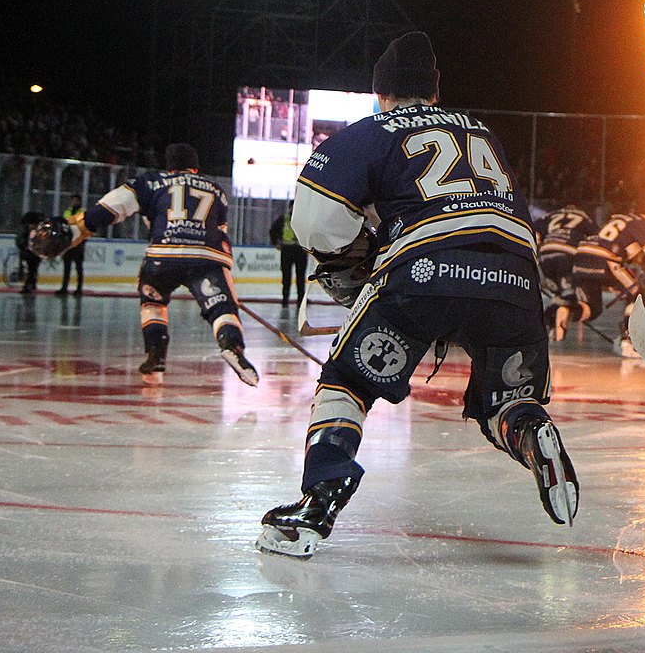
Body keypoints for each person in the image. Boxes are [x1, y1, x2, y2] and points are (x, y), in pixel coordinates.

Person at [255, 32, 578, 559]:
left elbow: (314, 223)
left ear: (379, 91)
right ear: (434, 90)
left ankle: (319, 501)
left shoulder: (369, 132)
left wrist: (355, 262)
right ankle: (528, 428)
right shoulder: (483, 132)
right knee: (506, 398)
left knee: (348, 379)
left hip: (426, 272)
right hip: (518, 280)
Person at [30, 143, 259, 386]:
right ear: (196, 166)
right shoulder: (216, 190)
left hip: (163, 255)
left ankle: (155, 353)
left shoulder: (151, 182)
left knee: (153, 302)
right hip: (206, 258)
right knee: (221, 310)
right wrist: (223, 283)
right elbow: (220, 231)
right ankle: (232, 344)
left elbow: (112, 207)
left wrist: (79, 227)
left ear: (169, 165)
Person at [572, 209, 645, 357]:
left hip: (581, 257)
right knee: (637, 295)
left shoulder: (619, 217)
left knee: (591, 307)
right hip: (605, 259)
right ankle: (627, 342)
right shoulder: (640, 222)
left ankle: (556, 315)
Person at [533, 202, 596, 341]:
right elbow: (594, 239)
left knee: (558, 295)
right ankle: (559, 334)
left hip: (546, 253)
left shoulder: (550, 215)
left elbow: (535, 234)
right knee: (568, 298)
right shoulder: (585, 218)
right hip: (568, 254)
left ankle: (544, 329)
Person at [269, 202, 308, 307]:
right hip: (287, 250)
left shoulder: (304, 220)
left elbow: (310, 234)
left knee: (300, 277)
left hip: (300, 250)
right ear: (290, 208)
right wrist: (276, 242)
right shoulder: (284, 219)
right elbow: (273, 231)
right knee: (286, 277)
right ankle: (285, 299)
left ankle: (301, 300)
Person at [56, 195, 85, 297]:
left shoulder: (82, 212)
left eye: (76, 200)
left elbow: (82, 227)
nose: (74, 202)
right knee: (67, 267)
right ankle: (64, 288)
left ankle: (79, 288)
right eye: (73, 200)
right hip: (68, 243)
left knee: (78, 267)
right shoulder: (67, 212)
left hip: (78, 243)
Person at [15, 210, 45, 295]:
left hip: (35, 252)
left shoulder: (39, 232)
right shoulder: (25, 231)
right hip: (28, 252)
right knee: (32, 268)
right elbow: (20, 241)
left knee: (33, 267)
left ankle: (30, 284)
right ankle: (30, 284)